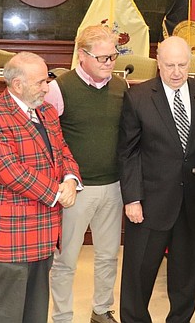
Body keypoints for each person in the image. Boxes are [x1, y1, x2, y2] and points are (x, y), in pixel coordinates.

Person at [117, 36, 195, 323]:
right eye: (170, 66)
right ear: (158, 63)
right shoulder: (138, 97)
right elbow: (127, 153)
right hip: (149, 202)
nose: (177, 72)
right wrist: (132, 198)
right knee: (139, 274)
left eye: (182, 65)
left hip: (190, 201)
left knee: (186, 274)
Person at [0, 52, 82, 323]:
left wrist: (70, 178)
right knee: (6, 314)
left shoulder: (46, 111)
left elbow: (62, 150)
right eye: (40, 83)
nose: (47, 88)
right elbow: (12, 172)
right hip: (10, 235)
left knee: (35, 312)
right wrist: (58, 192)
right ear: (18, 85)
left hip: (43, 231)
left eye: (46, 80)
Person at [46, 26, 127, 323]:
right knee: (66, 259)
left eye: (113, 56)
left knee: (108, 255)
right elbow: (48, 139)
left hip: (114, 186)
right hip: (76, 190)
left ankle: (102, 310)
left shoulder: (121, 87)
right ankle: (63, 317)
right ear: (82, 56)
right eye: (103, 58)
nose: (109, 63)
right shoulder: (59, 88)